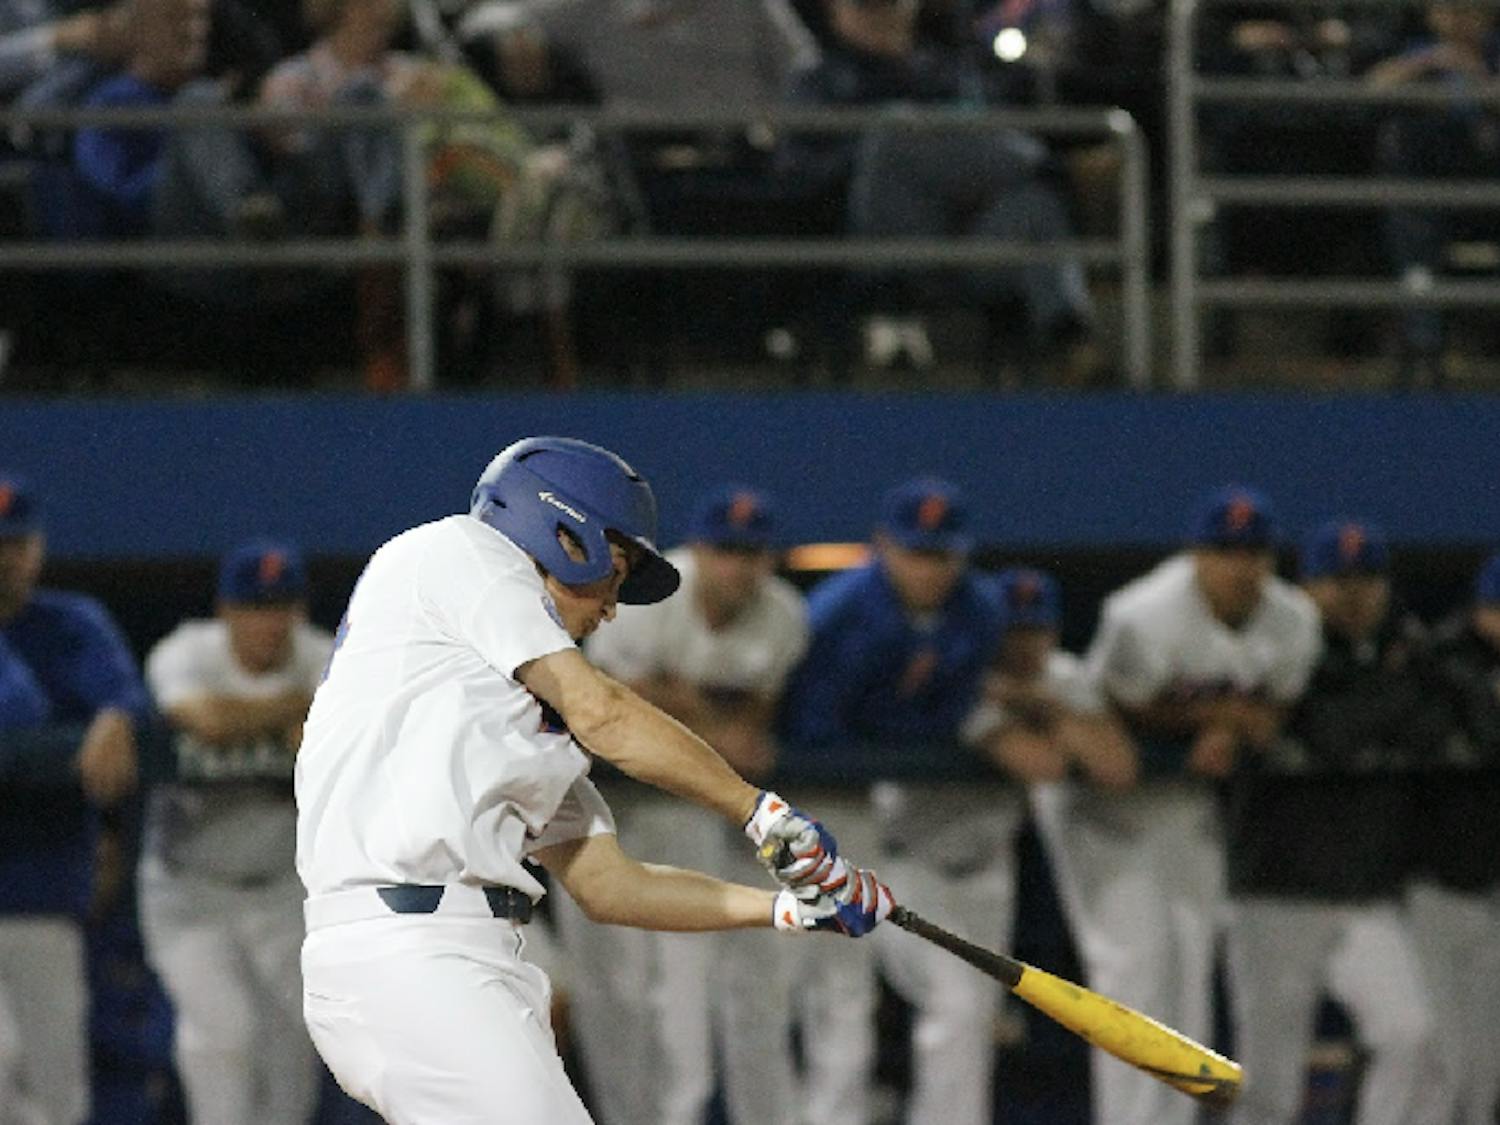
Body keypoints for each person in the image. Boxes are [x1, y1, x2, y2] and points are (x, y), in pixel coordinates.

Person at [294, 436, 892, 1124]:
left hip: (465, 964)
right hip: (405, 951)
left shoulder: (504, 710)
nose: (612, 606)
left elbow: (611, 886)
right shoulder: (458, 551)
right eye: (613, 571)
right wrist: (759, 811)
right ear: (558, 529)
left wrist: (787, 908)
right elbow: (604, 710)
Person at [1048, 485, 1322, 1125]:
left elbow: (1274, 710)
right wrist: (1217, 717)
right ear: (1197, 556)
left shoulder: (1294, 619)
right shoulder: (1144, 613)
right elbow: (1118, 711)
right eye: (1225, 552)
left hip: (1180, 801)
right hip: (1099, 807)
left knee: (1191, 971)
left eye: (1253, 552)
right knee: (1136, 974)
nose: (1240, 567)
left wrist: (1226, 725)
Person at [553, 483, 810, 1125]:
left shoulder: (783, 617)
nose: (737, 566)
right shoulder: (645, 602)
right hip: (600, 811)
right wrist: (711, 720)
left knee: (685, 1000)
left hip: (685, 815)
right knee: (616, 997)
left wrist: (686, 699)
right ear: (697, 550)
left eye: (750, 552)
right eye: (724, 550)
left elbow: (755, 716)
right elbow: (616, 704)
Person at [779, 476, 1005, 1125]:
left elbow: (950, 714)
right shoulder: (836, 611)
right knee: (830, 991)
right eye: (916, 552)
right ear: (883, 545)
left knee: (951, 998)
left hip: (908, 813)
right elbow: (809, 727)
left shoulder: (979, 608)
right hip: (817, 804)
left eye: (942, 554)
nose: (931, 569)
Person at [1224, 519, 1448, 1125]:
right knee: (1268, 1081)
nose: (1352, 593)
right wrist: (1391, 698)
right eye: (1336, 580)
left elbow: (1426, 725)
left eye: (1366, 579)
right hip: (1273, 894)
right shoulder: (1275, 648)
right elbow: (1334, 734)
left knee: (1414, 1035)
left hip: (1361, 897)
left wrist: (1391, 693)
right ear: (1306, 587)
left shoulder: (1407, 653)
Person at [778, 0, 1104, 384]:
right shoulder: (817, 79)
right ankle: (1060, 169)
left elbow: (985, 140)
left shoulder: (945, 71)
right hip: (875, 247)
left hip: (964, 241)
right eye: (865, 5)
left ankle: (1073, 340)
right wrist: (872, 155)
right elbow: (797, 174)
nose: (879, 14)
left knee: (1034, 203)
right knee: (894, 129)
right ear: (835, 11)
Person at [139, 539, 332, 1125]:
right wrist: (297, 707)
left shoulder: (324, 654)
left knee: (299, 1037)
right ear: (225, 610)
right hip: (190, 887)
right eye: (253, 607)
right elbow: (205, 719)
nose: (268, 623)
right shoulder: (186, 653)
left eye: (280, 606)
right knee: (222, 1032)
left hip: (283, 889)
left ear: (298, 610)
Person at [0, 472, 150, 1125]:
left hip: (41, 884)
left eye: (15, 542)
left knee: (57, 1081)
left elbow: (132, 704)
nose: (4, 557)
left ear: (35, 547)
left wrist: (118, 714)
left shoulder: (70, 624)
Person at [1411, 550, 1500, 1125]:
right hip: (1438, 883)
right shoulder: (1439, 663)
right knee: (1435, 1049)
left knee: (1483, 1060)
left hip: (1487, 883)